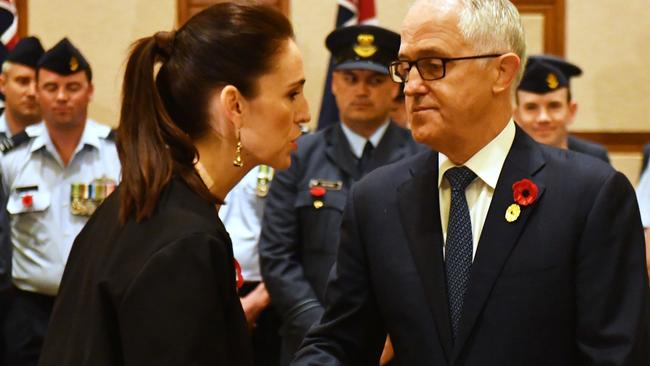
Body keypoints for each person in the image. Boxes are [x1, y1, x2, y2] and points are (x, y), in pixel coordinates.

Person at [292, 0, 649, 365]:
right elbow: (340, 342)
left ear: (502, 72)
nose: (410, 87)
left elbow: (614, 355)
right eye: (405, 67)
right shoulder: (376, 199)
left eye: (433, 65)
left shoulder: (590, 197)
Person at [38, 3, 310, 365]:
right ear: (235, 106)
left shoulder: (150, 203)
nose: (305, 112)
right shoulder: (185, 242)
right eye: (292, 94)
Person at [259, 24, 423, 365]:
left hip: (398, 347)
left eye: (375, 80)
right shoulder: (298, 154)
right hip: (310, 344)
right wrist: (325, 334)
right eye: (350, 78)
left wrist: (393, 333)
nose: (361, 90)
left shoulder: (422, 158)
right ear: (333, 84)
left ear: (396, 89)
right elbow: (277, 255)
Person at [0, 37, 120, 366]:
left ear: (90, 91)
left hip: (96, 309)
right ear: (37, 92)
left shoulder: (118, 155)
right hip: (29, 314)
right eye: (51, 87)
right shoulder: (12, 159)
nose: (62, 97)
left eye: (73, 87)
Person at [0, 35, 44, 365]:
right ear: (3, 83)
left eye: (37, 83)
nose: (30, 91)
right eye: (21, 81)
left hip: (33, 301)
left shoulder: (57, 145)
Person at [219, 165, 282, 366]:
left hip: (268, 290)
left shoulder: (276, 155)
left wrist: (259, 299)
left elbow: (292, 238)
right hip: (213, 286)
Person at [514, 54, 610, 162]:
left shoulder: (594, 158)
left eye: (554, 106)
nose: (543, 118)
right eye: (531, 107)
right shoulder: (506, 160)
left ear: (571, 111)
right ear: (516, 115)